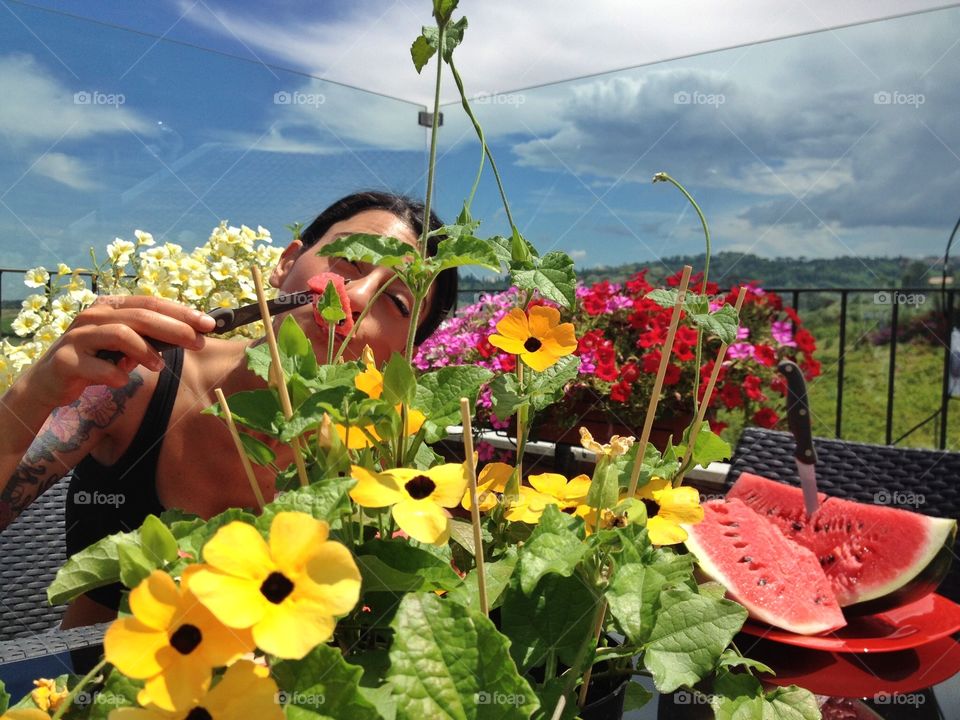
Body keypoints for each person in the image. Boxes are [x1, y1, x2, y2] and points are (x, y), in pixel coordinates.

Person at [0, 191, 457, 628]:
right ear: (286, 263)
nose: (356, 298)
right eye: (348, 262)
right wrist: (34, 394)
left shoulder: (377, 447)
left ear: (406, 351)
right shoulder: (138, 378)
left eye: (397, 302)